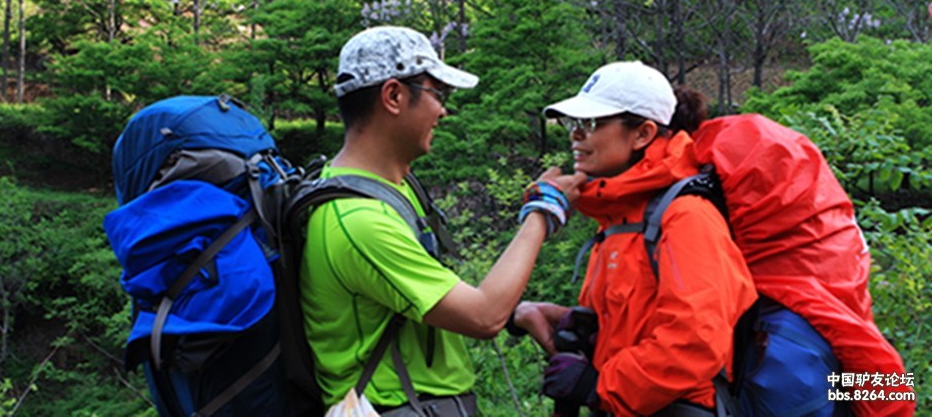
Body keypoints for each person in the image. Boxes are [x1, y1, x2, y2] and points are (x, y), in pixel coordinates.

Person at [299, 25, 588, 415]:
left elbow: (424, 297)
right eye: (437, 93)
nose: (443, 110)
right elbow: (483, 316)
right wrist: (543, 212)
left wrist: (517, 313)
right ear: (394, 96)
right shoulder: (358, 220)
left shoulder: (381, 189)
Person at [513, 61, 757, 416]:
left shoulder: (686, 217)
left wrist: (597, 387)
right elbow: (640, 325)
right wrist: (577, 324)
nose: (575, 135)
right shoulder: (620, 220)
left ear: (643, 133)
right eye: (573, 123)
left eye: (591, 123)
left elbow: (696, 342)